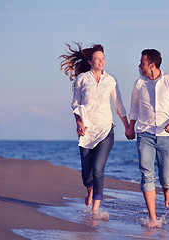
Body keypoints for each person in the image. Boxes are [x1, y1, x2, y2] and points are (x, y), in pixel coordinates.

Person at [60, 43, 129, 216]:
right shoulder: (82, 79)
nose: (101, 61)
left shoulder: (110, 80)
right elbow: (75, 104)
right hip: (86, 131)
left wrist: (128, 127)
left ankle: (95, 210)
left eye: (103, 58)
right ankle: (89, 190)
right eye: (97, 59)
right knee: (86, 176)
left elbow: (118, 104)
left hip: (106, 130)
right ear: (90, 61)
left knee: (98, 169)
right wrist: (79, 122)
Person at [125, 49, 169, 226]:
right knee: (146, 175)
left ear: (151, 65)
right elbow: (134, 108)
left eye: (142, 63)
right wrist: (131, 127)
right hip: (144, 133)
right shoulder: (139, 83)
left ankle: (167, 189)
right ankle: (153, 219)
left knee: (166, 177)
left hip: (166, 136)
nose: (139, 66)